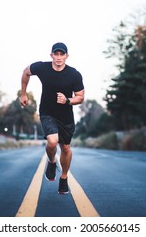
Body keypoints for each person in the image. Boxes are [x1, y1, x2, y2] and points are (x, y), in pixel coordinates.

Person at [20, 42, 85, 194]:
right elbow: (25, 72)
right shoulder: (42, 68)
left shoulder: (74, 75)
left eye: (62, 54)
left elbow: (80, 97)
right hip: (47, 112)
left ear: (66, 56)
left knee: (66, 148)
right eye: (56, 54)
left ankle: (63, 178)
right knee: (52, 141)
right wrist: (23, 93)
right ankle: (52, 161)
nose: (58, 57)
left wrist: (67, 100)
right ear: (51, 55)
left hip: (66, 116)